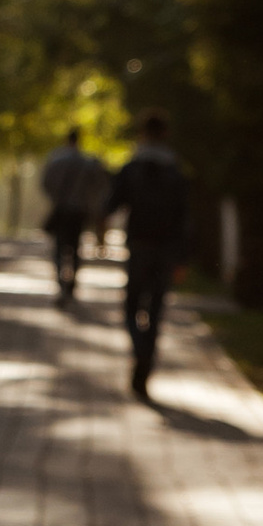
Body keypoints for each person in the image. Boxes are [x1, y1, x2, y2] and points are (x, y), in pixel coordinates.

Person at [107, 108, 191, 400]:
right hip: (166, 251)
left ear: (143, 133)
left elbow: (112, 203)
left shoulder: (132, 167)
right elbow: (185, 216)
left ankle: (139, 350)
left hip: (139, 247)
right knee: (155, 310)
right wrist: (182, 258)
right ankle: (145, 366)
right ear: (165, 134)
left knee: (131, 307)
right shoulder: (176, 171)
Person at [39, 127, 109, 304]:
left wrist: (56, 198)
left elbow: (45, 183)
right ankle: (72, 282)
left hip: (61, 210)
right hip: (79, 211)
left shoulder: (56, 160)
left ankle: (61, 283)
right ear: (79, 140)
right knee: (76, 248)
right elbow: (99, 185)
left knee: (59, 248)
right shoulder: (87, 161)